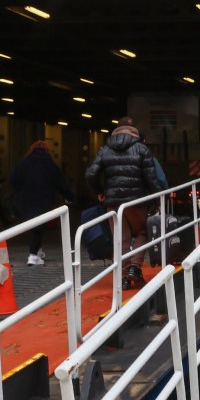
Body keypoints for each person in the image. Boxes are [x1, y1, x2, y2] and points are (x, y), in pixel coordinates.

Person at [85, 116, 163, 289]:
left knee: (121, 240)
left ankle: (124, 278)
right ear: (134, 130)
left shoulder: (105, 149)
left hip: (113, 203)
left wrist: (100, 193)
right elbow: (152, 179)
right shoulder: (142, 149)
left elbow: (91, 174)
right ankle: (135, 267)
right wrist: (157, 200)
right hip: (137, 201)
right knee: (143, 232)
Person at [9, 142, 75, 265]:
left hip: (24, 200)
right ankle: (33, 256)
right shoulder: (50, 164)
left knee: (34, 226)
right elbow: (61, 183)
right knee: (38, 226)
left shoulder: (22, 163)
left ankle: (37, 251)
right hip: (42, 199)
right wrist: (69, 197)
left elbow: (12, 179)